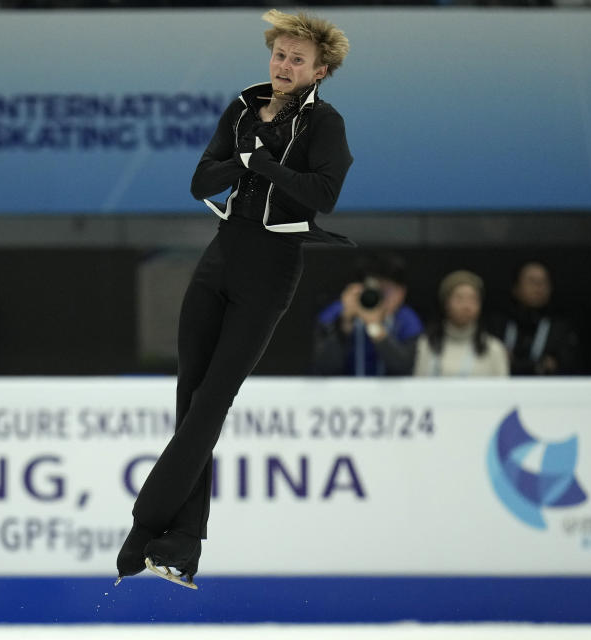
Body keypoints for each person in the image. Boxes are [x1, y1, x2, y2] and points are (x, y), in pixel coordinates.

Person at [116, 9, 353, 588]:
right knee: (189, 397)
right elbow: (202, 182)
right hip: (220, 257)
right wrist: (246, 159)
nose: (285, 65)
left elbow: (324, 192)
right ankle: (184, 543)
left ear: (320, 70)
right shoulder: (243, 109)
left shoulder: (326, 124)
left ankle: (146, 528)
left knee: (212, 402)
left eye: (298, 59)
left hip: (272, 269)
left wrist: (259, 163)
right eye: (280, 54)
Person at [311, 253, 423, 376]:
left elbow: (403, 368)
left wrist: (375, 327)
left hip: (390, 393)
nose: (380, 297)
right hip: (343, 392)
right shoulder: (336, 313)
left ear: (401, 293)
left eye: (387, 291)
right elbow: (324, 368)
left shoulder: (407, 320)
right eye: (375, 290)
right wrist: (344, 324)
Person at [487, 261, 580, 375]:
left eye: (543, 282)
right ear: (516, 288)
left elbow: (565, 366)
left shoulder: (560, 327)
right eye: (531, 281)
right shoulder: (498, 323)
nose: (538, 287)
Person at [414, 270, 509, 377]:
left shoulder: (494, 349)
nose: (466, 306)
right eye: (459, 298)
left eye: (473, 299)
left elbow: (503, 392)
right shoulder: (426, 345)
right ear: (446, 303)